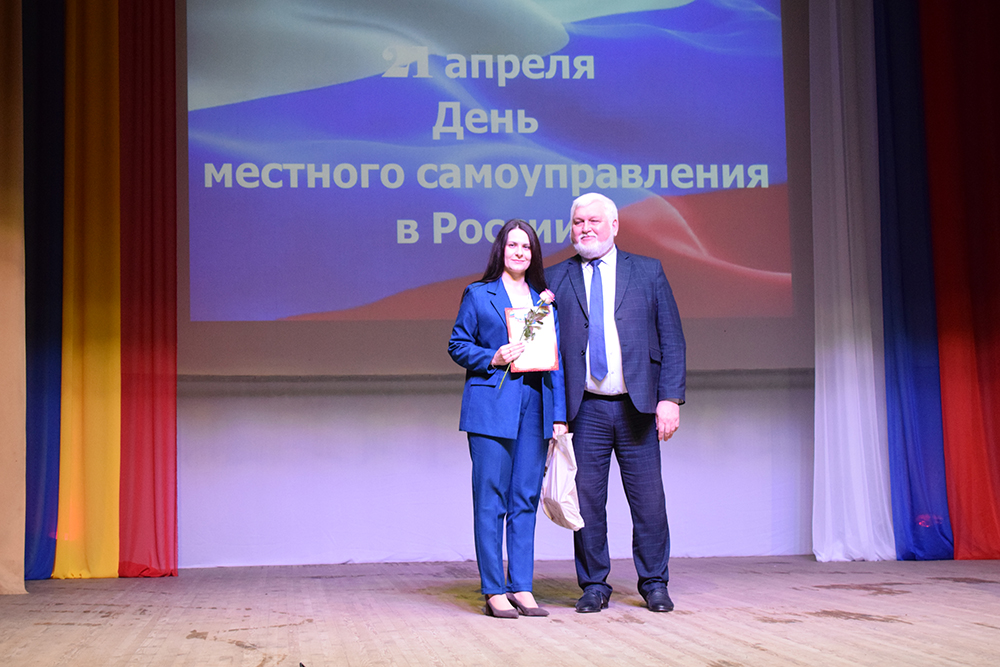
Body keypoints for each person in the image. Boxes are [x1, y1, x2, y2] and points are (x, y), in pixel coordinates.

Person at [545, 192, 686, 614]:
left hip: (637, 407)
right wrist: (555, 414)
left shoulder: (647, 271)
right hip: (584, 409)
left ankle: (654, 583)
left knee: (649, 502)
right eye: (578, 222)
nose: (585, 228)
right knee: (587, 503)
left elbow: (672, 338)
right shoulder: (554, 277)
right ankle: (593, 585)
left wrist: (669, 398)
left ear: (614, 225)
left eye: (593, 221)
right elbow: (546, 351)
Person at [448, 219, 568, 619]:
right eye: (513, 245)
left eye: (527, 247)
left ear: (534, 255)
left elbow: (555, 363)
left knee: (525, 499)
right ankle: (493, 589)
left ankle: (521, 586)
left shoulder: (543, 301)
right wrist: (492, 356)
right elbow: (457, 344)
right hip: (491, 408)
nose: (519, 252)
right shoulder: (478, 294)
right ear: (501, 250)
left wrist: (559, 416)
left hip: (535, 407)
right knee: (490, 500)